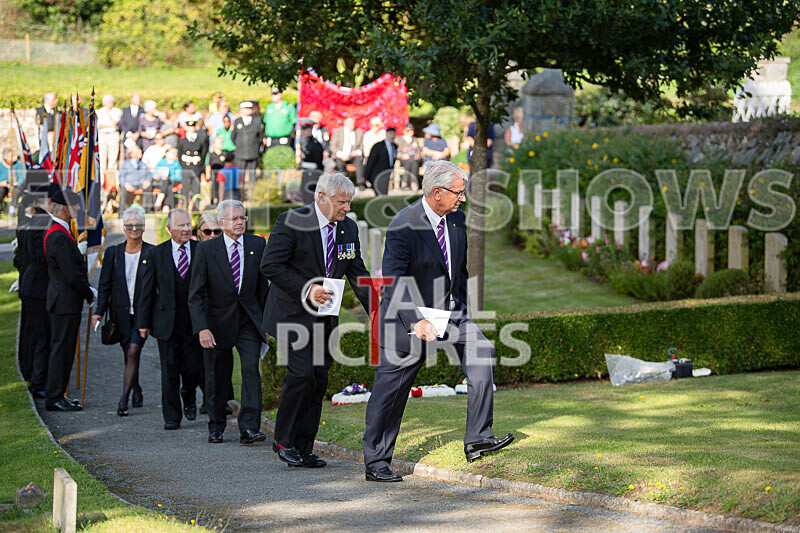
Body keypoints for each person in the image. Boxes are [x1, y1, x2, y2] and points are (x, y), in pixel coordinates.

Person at [362, 161, 513, 482]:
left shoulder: (456, 218)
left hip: (450, 312)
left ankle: (478, 438)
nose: (463, 199)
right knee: (391, 392)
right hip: (407, 318)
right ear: (436, 193)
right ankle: (376, 461)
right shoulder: (404, 224)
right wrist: (414, 320)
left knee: (481, 353)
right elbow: (392, 279)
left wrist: (463, 310)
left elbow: (457, 271)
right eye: (459, 193)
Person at [261, 173, 370, 467]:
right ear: (321, 197)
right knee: (302, 374)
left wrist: (377, 310)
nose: (346, 208)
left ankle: (304, 447)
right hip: (291, 314)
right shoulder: (291, 220)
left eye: (349, 202)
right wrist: (307, 288)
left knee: (319, 379)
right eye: (341, 202)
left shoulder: (348, 228)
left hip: (324, 318)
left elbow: (357, 272)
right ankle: (283, 440)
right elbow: (270, 265)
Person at [188, 200, 268, 444]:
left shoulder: (257, 244)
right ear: (221, 223)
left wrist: (268, 323)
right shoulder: (206, 250)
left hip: (248, 323)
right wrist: (202, 328)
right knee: (216, 376)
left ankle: (250, 427)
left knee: (251, 371)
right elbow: (196, 294)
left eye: (242, 218)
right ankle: (216, 425)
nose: (240, 222)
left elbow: (263, 289)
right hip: (216, 324)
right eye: (234, 219)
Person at [137, 208, 205, 429]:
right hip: (166, 323)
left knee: (194, 368)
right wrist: (143, 323)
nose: (186, 229)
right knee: (169, 369)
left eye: (188, 225)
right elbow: (146, 291)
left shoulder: (201, 250)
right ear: (169, 229)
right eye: (181, 226)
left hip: (195, 322)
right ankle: (172, 416)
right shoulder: (156, 254)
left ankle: (189, 395)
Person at [92, 208, 153, 417]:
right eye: (129, 226)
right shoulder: (113, 253)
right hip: (120, 315)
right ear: (124, 228)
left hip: (143, 315)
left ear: (143, 227)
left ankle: (123, 400)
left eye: (137, 225)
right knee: (128, 354)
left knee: (133, 351)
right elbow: (105, 285)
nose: (134, 229)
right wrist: (98, 312)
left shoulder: (152, 252)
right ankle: (136, 391)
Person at [44, 187, 96, 411]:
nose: (77, 209)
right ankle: (54, 396)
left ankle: (59, 394)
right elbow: (72, 275)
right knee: (61, 350)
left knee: (64, 349)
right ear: (64, 209)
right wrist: (90, 293)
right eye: (74, 205)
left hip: (64, 300)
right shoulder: (58, 235)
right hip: (65, 301)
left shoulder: (60, 231)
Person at [193, 212, 232, 416]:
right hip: (196, 314)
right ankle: (204, 398)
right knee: (196, 364)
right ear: (199, 232)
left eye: (217, 231)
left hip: (218, 316)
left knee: (217, 364)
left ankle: (217, 401)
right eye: (208, 231)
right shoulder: (194, 251)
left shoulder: (228, 251)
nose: (212, 235)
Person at [19, 187, 53, 398]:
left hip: (31, 282)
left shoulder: (33, 220)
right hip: (38, 285)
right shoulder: (42, 221)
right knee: (42, 336)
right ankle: (38, 382)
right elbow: (40, 254)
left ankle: (31, 373)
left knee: (35, 334)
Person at [230, 102, 263, 191]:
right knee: (240, 176)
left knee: (252, 175)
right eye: (245, 108)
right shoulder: (237, 122)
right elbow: (233, 137)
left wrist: (256, 147)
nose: (247, 110)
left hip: (253, 152)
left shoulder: (257, 121)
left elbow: (260, 137)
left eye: (249, 108)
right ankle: (240, 194)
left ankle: (252, 194)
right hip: (240, 153)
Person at [177, 120, 208, 211]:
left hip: (196, 166)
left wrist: (200, 165)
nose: (191, 129)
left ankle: (196, 208)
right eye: (189, 127)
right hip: (186, 166)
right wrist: (183, 165)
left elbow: (203, 153)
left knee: (196, 188)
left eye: (192, 127)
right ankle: (185, 207)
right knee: (185, 188)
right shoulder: (182, 140)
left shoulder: (200, 139)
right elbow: (179, 153)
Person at [97, 94, 122, 191]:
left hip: (113, 135)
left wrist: (108, 115)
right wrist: (110, 125)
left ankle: (111, 184)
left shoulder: (117, 111)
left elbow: (115, 124)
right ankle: (102, 183)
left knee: (112, 161)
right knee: (102, 160)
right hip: (102, 136)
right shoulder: (99, 112)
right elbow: (99, 126)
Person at [330, 116, 365, 188]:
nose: (351, 124)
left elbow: (361, 148)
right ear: (345, 123)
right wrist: (341, 155)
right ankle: (344, 184)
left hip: (353, 155)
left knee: (359, 161)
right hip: (341, 155)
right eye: (349, 122)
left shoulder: (358, 132)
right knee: (339, 164)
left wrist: (353, 154)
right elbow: (333, 146)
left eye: (353, 122)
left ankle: (360, 182)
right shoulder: (338, 131)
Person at [364, 126, 398, 195]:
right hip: (377, 173)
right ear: (386, 134)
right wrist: (365, 176)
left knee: (384, 193)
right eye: (390, 133)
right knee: (379, 193)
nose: (392, 136)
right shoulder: (378, 146)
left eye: (394, 134)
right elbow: (371, 161)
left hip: (387, 173)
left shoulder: (394, 146)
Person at [119, 146, 152, 210]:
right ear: (132, 154)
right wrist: (125, 184)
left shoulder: (143, 164)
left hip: (140, 185)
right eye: (137, 151)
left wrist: (148, 181)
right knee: (123, 190)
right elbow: (121, 176)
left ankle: (148, 210)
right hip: (129, 185)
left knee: (149, 187)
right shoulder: (125, 164)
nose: (140, 151)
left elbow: (148, 175)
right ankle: (121, 211)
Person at [396, 123, 422, 190]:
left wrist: (418, 155)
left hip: (414, 158)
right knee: (408, 162)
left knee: (413, 162)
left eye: (412, 130)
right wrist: (402, 155)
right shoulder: (400, 139)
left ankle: (412, 183)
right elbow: (396, 152)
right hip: (404, 159)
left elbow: (419, 151)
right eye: (408, 130)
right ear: (404, 131)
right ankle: (405, 183)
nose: (410, 132)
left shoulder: (415, 140)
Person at [206, 136, 229, 206]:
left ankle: (222, 201)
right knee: (214, 188)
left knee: (223, 188)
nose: (219, 144)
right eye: (218, 143)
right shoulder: (211, 154)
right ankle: (213, 201)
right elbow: (208, 165)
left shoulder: (224, 154)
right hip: (214, 174)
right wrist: (208, 174)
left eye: (220, 143)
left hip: (223, 175)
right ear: (214, 144)